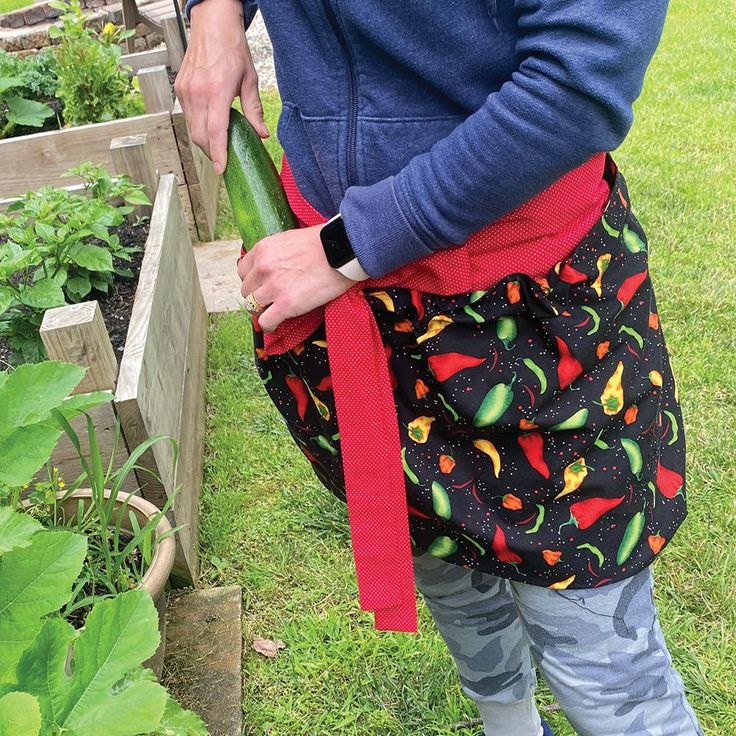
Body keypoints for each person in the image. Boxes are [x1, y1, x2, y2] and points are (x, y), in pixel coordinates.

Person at [175, 2, 704, 734]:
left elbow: (582, 75)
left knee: (597, 645)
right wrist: (215, 13)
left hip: (532, 311)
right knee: (449, 564)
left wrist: (346, 246)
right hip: (359, 303)